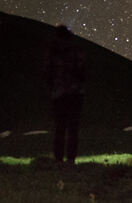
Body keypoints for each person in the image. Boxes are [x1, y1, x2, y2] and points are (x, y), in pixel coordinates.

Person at [42, 24, 86, 165]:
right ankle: (71, 159)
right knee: (73, 127)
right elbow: (83, 69)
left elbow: (46, 70)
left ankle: (59, 159)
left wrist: (55, 84)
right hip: (75, 92)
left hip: (59, 93)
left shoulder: (52, 50)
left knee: (60, 127)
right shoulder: (76, 49)